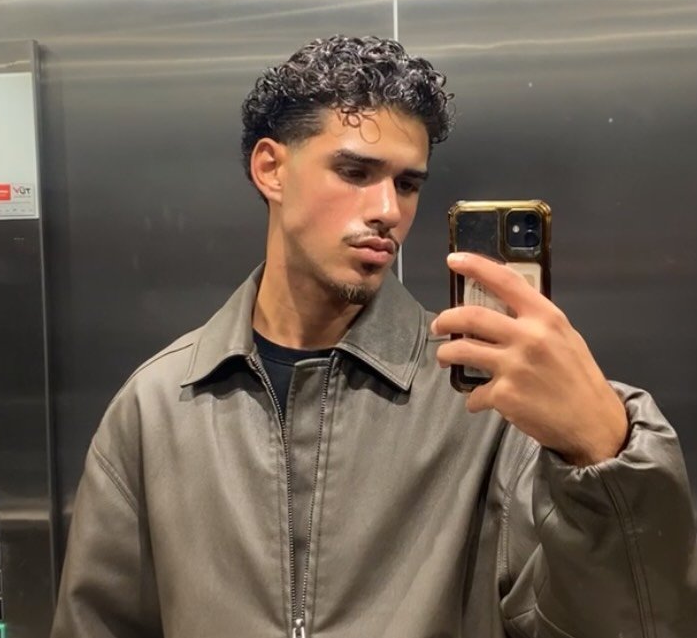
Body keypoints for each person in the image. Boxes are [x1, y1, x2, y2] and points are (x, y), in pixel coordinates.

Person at [51, 35, 696, 638]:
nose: (389, 211)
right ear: (271, 169)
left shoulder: (487, 403)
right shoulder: (158, 406)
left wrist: (603, 452)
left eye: (407, 184)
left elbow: (611, 622)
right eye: (355, 172)